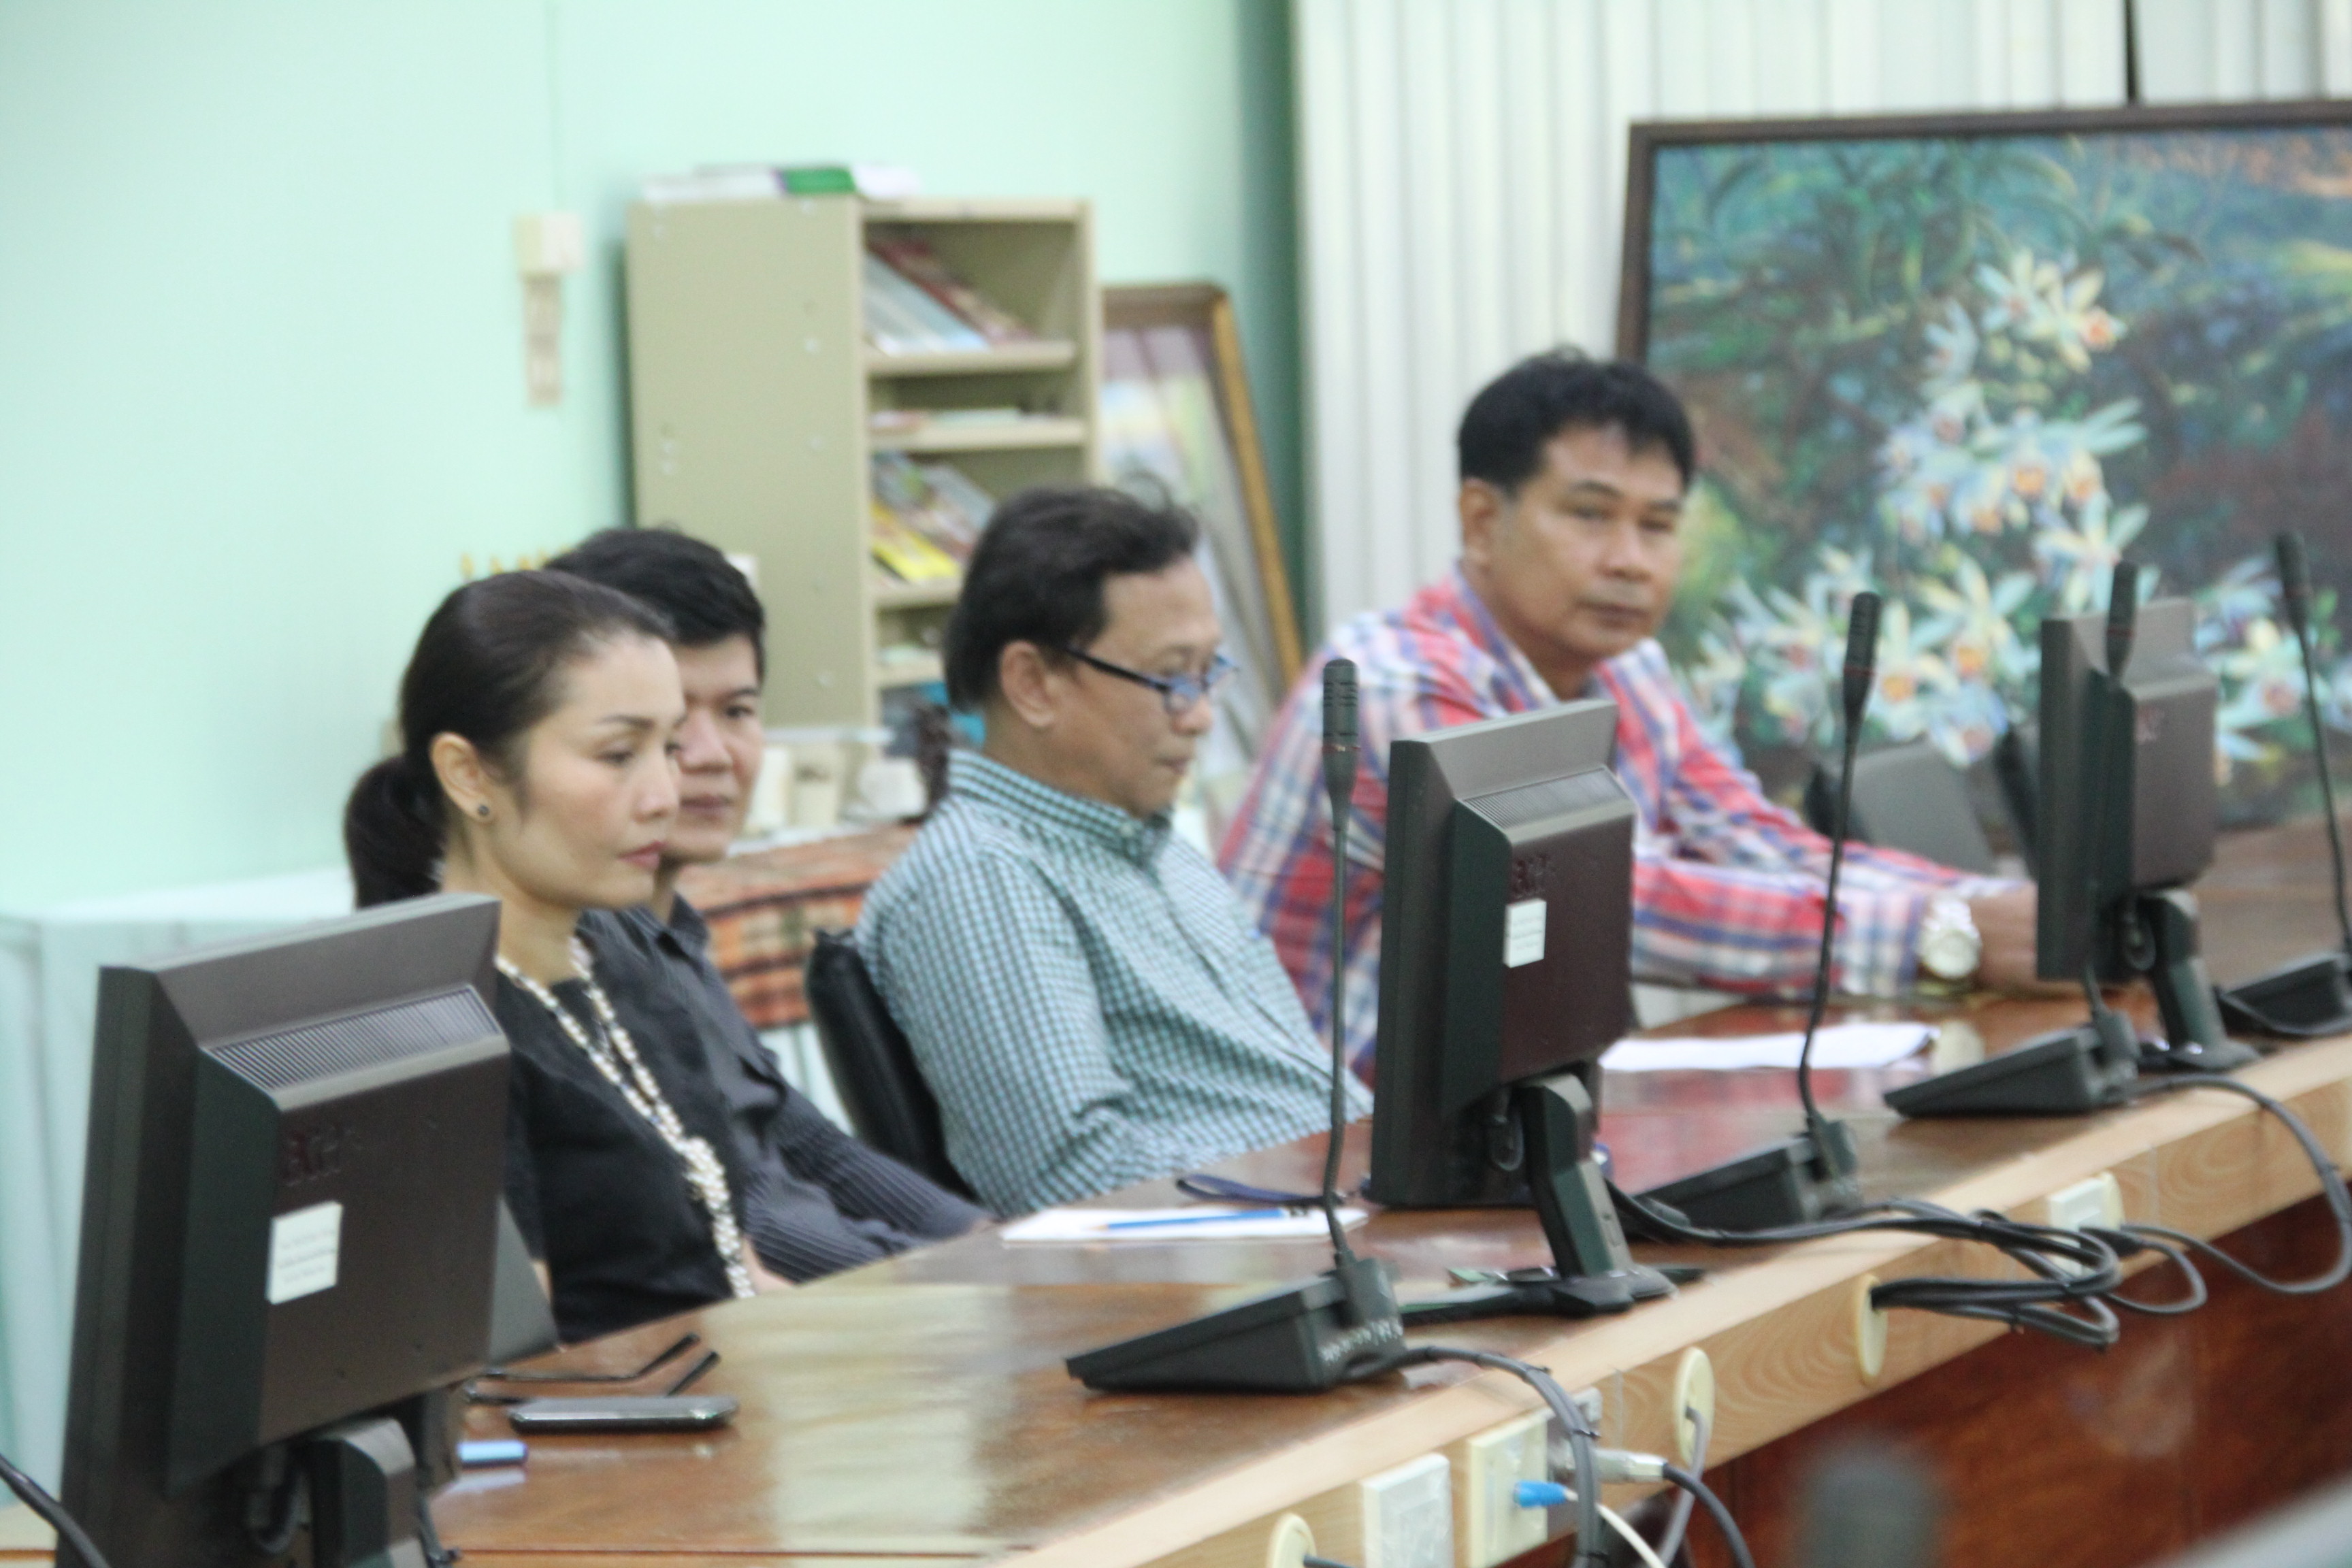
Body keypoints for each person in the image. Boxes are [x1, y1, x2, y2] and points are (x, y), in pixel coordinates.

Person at [1222, 352, 2033, 1077]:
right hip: (1310, 1141)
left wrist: (2003, 912)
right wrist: (1938, 936)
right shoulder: (1397, 688)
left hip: (1480, 1124)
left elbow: (1759, 846)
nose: (1629, 561)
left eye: (1658, 525)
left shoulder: (1628, 670)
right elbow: (1599, 911)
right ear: (1481, 521)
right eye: (1590, 515)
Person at [857, 487, 1365, 1215]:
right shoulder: (981, 877)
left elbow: (1295, 1086)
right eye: (1171, 679)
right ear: (1033, 684)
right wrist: (1324, 1190)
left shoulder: (1157, 846)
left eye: (1209, 673)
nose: (1200, 716)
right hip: (1263, 1250)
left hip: (1335, 1212)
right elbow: (1072, 1177)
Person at [344, 570, 789, 1343]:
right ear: (468, 774)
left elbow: (735, 1269)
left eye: (668, 748)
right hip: (635, 1412)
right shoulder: (448, 1025)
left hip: (725, 1379)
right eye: (618, 755)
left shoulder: (620, 954)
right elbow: (511, 1369)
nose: (664, 794)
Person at [546, 526, 988, 1275]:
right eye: (670, 725)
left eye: (739, 711)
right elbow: (738, 1216)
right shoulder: (579, 962)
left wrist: (990, 1240)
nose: (714, 754)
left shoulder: (671, 932)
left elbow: (809, 1143)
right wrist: (937, 1276)